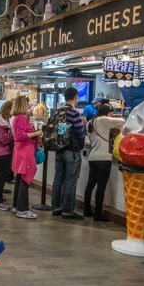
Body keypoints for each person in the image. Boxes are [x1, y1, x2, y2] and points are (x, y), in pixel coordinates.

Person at [83, 103, 125, 221]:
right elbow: (123, 121)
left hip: (93, 157)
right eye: (110, 114)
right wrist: (114, 118)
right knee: (101, 187)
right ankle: (97, 214)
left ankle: (87, 210)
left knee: (90, 185)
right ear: (107, 113)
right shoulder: (103, 120)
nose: (111, 116)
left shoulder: (90, 122)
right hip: (104, 158)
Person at [51, 87, 86, 220]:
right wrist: (80, 145)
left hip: (59, 150)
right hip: (72, 150)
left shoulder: (57, 111)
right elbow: (80, 132)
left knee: (57, 179)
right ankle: (68, 211)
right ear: (76, 97)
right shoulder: (74, 113)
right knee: (70, 181)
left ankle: (56, 207)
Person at [11, 96, 42, 219]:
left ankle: (16, 205)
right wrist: (37, 133)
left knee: (20, 179)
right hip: (25, 152)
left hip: (20, 151)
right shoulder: (22, 118)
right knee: (25, 180)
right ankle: (22, 209)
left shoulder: (16, 118)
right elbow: (21, 136)